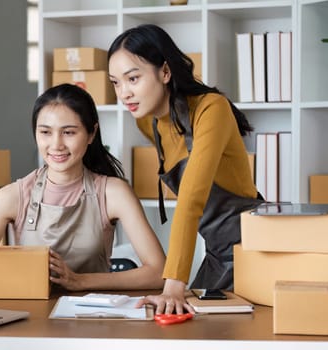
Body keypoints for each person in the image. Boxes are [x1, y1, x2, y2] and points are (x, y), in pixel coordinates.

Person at [0, 83, 166, 292]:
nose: (56, 145)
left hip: (94, 321)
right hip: (30, 323)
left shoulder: (113, 193)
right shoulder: (10, 197)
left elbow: (160, 273)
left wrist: (79, 281)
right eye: (45, 132)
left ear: (91, 133)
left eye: (69, 132)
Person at [107, 24, 264, 314]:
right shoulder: (146, 120)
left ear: (165, 72)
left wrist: (173, 285)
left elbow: (191, 197)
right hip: (218, 254)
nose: (124, 93)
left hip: (252, 251)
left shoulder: (211, 108)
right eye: (116, 82)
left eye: (133, 78)